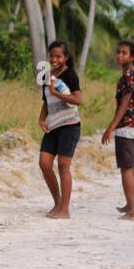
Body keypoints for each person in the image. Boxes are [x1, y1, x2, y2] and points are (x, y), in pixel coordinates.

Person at [101, 40, 134, 220]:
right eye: (118, 52)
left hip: (128, 127)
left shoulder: (129, 75)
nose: (119, 55)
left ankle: (133, 212)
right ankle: (130, 205)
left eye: (124, 53)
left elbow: (125, 103)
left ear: (132, 57)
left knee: (126, 168)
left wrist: (111, 127)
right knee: (131, 167)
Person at [38, 40, 83, 219]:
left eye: (58, 56)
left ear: (66, 57)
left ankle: (65, 209)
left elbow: (78, 99)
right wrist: (41, 118)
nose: (54, 59)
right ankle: (57, 202)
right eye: (51, 56)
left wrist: (58, 93)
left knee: (64, 166)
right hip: (53, 126)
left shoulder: (70, 75)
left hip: (70, 126)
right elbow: (46, 101)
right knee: (44, 163)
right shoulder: (47, 77)